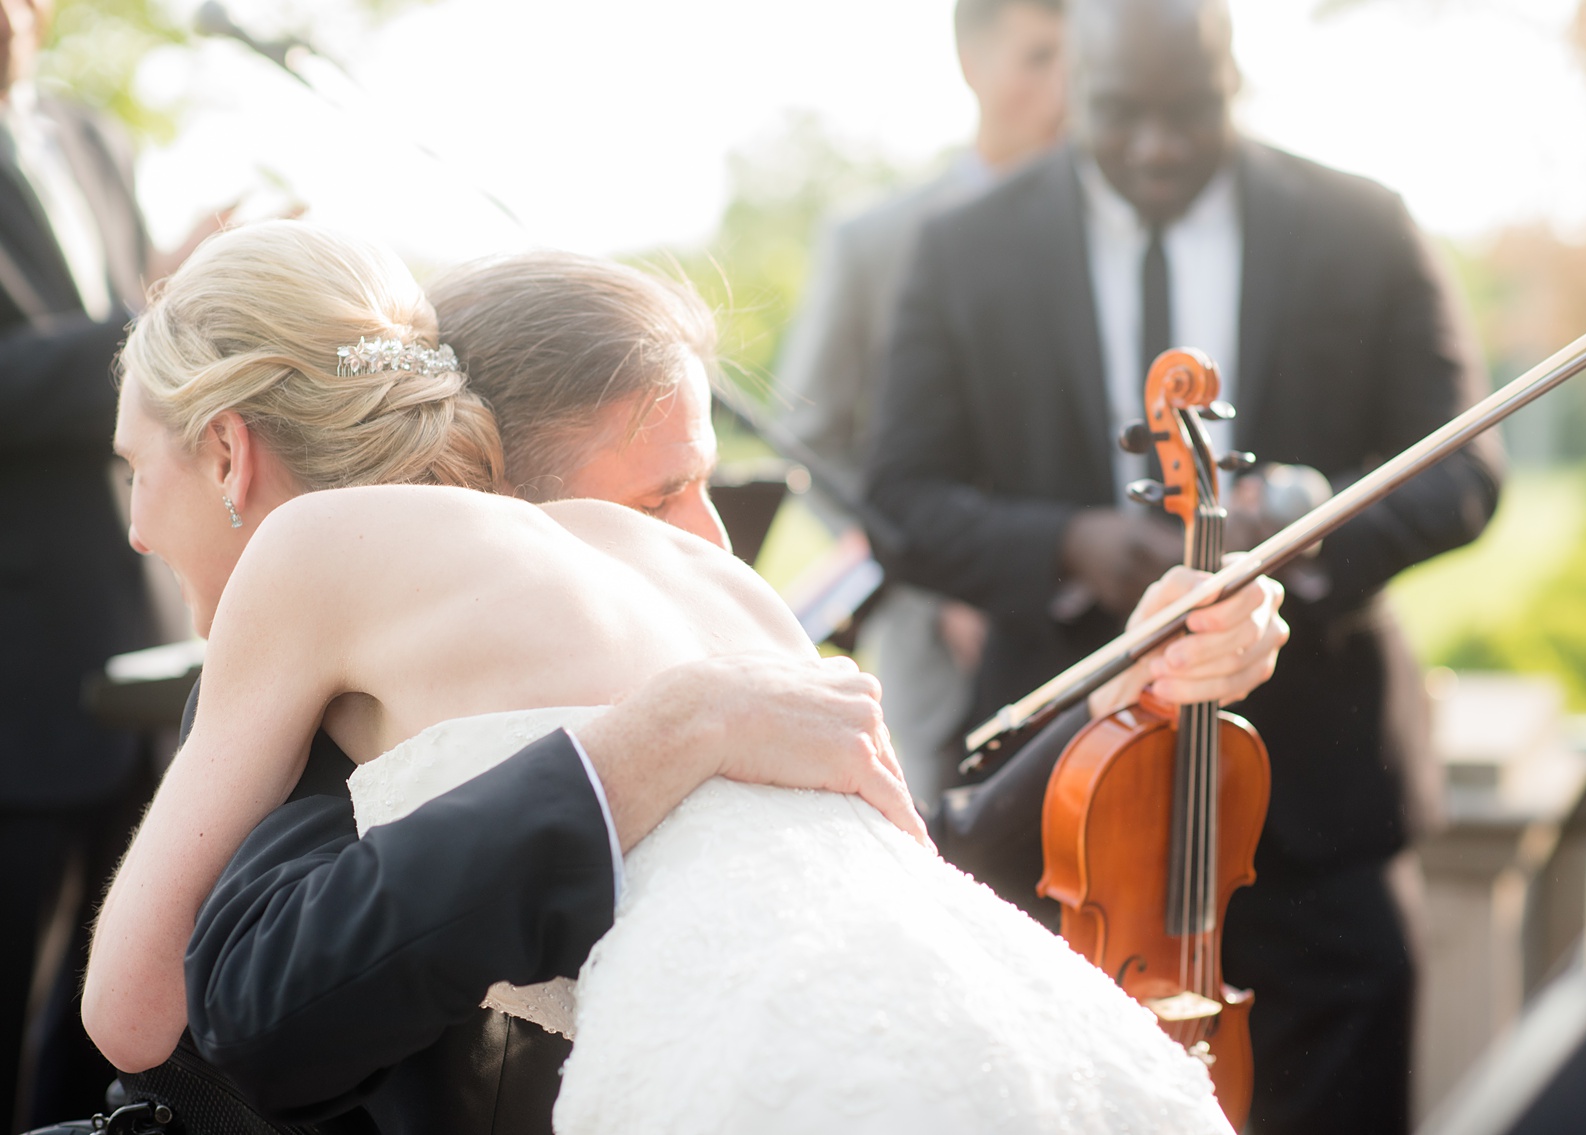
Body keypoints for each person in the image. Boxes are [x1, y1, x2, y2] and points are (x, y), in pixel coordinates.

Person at [81, 220, 1241, 1133]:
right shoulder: (365, 663)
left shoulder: (687, 620)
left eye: (707, 483)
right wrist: (642, 744)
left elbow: (874, 867)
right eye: (657, 497)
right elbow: (255, 1011)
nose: (713, 544)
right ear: (502, 509)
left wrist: (1118, 695)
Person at [866, 0, 1503, 1131]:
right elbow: (900, 498)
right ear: (1072, 82)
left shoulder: (1362, 224)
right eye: (1120, 113)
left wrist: (1301, 524)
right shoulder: (964, 247)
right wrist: (1068, 547)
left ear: (1233, 76)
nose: (1157, 145)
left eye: (1191, 110)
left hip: (1311, 815)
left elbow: (1462, 471)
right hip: (1063, 811)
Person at [0, 0, 218, 1122]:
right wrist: (153, 325)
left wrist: (191, 299)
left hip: (138, 631)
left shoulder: (90, 135)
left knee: (114, 1023)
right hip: (16, 661)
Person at [778, 0, 1065, 809]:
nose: (1067, 87)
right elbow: (813, 432)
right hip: (935, 656)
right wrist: (937, 584)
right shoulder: (874, 241)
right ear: (972, 64)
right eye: (1040, 58)